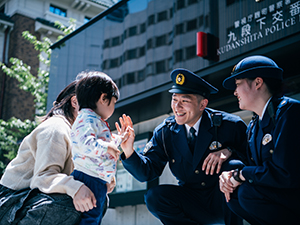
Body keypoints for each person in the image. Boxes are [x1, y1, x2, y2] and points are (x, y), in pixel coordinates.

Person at [116, 68, 247, 225]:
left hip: (223, 199)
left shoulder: (229, 125)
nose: (177, 107)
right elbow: (146, 172)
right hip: (191, 202)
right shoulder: (165, 132)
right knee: (154, 197)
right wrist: (128, 149)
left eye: (184, 101)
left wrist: (229, 151)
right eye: (174, 99)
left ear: (202, 104)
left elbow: (253, 159)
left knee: (234, 166)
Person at [0, 80, 101, 225]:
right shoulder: (56, 128)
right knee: (69, 203)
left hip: (32, 201)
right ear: (75, 102)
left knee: (95, 197)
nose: (100, 115)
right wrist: (76, 188)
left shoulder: (80, 136)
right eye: (95, 107)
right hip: (11, 204)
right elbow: (42, 178)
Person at [219, 55, 300, 225]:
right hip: (280, 198)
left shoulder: (289, 112)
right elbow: (254, 168)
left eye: (238, 85)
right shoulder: (254, 126)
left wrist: (240, 175)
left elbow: (286, 174)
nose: (235, 92)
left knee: (246, 192)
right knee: (232, 193)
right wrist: (230, 177)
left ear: (257, 83)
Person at [71, 71, 128, 225]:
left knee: (94, 217)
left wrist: (119, 138)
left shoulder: (93, 119)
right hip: (89, 177)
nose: (114, 107)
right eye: (114, 102)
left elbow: (102, 143)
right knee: (90, 218)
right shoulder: (86, 118)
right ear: (104, 98)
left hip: (96, 177)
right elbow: (86, 144)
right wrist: (107, 147)